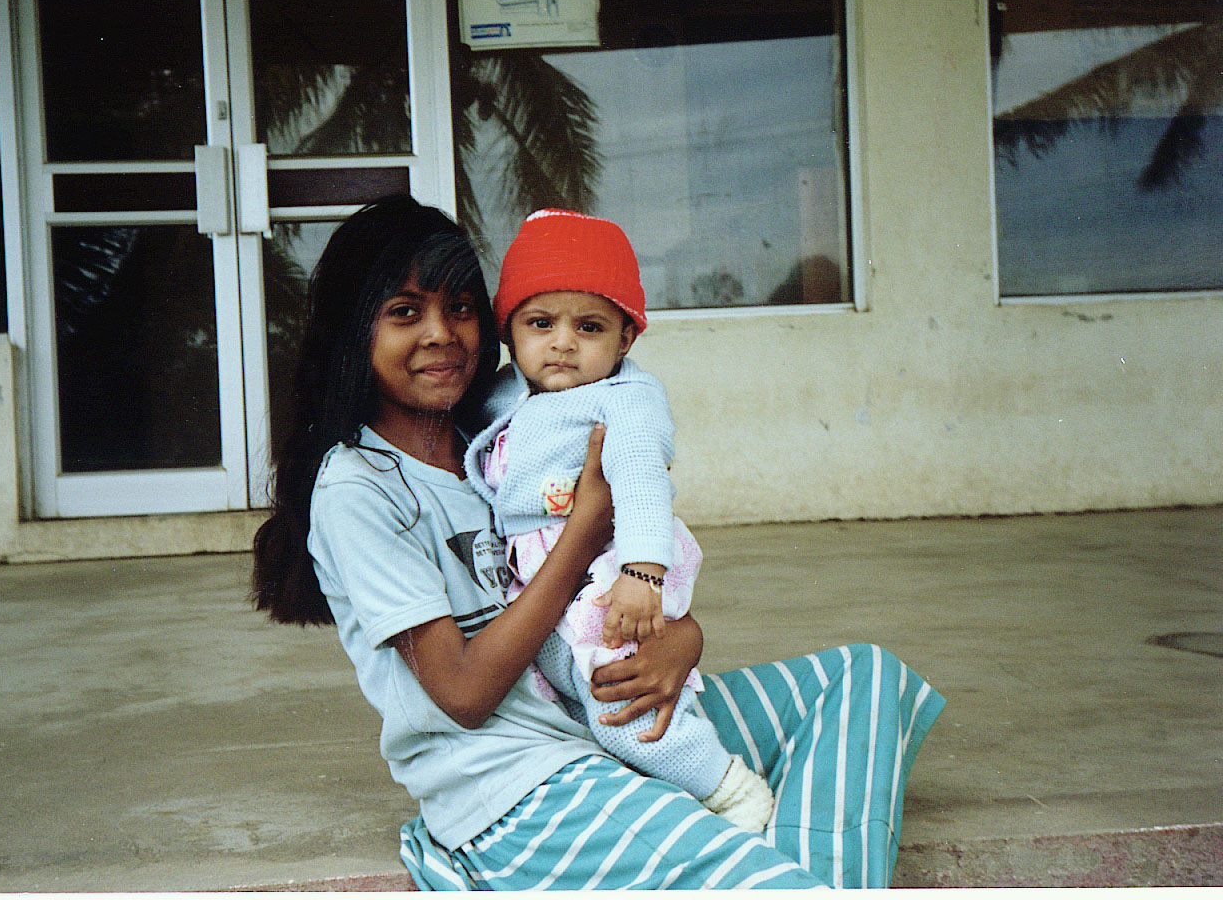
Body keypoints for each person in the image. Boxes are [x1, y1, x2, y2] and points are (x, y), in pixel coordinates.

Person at [252, 194, 944, 890]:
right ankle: (783, 872)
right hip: (519, 786)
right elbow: (462, 693)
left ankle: (788, 867)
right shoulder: (359, 489)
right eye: (405, 312)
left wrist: (683, 638)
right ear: (353, 329)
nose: (440, 333)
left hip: (597, 712)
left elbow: (611, 585)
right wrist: (582, 534)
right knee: (772, 887)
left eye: (460, 307)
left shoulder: (493, 443)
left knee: (863, 679)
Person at [462, 208, 772, 833]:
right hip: (541, 582)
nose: (564, 342)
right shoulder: (504, 393)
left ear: (625, 340)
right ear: (511, 333)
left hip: (606, 578)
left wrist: (643, 573)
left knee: (619, 704)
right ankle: (670, 788)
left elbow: (640, 487)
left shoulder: (623, 399)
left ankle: (731, 791)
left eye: (590, 326)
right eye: (540, 323)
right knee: (577, 696)